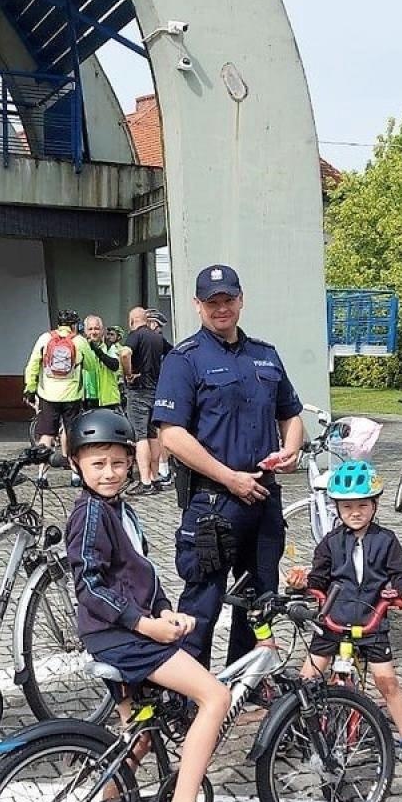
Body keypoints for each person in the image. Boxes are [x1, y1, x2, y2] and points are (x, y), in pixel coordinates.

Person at [66, 408, 233, 802]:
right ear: (76, 463)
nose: (109, 472)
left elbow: (140, 573)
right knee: (215, 697)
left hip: (125, 631)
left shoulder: (120, 509)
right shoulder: (90, 514)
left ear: (132, 462)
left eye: (118, 463)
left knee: (137, 738)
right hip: (121, 637)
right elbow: (89, 585)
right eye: (97, 464)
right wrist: (145, 625)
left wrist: (164, 611)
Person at [154, 264, 304, 666]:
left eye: (228, 300)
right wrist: (229, 477)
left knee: (259, 602)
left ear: (241, 300)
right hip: (214, 503)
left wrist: (291, 449)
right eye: (212, 302)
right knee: (201, 605)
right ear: (197, 305)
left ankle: (243, 684)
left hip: (264, 499)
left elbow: (291, 414)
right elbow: (171, 435)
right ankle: (190, 692)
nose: (221, 308)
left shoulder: (265, 355)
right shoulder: (184, 359)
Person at [284, 460, 402, 768]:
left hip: (371, 623)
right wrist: (301, 583)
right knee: (307, 678)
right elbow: (318, 579)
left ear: (375, 505)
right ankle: (297, 729)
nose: (355, 512)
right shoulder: (330, 543)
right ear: (337, 508)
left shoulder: (386, 540)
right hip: (333, 621)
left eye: (362, 505)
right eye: (347, 507)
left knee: (386, 681)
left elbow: (400, 574)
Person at [24, 309, 88, 451]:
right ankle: (71, 463)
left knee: (46, 434)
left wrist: (30, 389)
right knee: (70, 432)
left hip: (48, 395)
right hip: (72, 395)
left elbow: (32, 365)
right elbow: (91, 367)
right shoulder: (79, 341)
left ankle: (42, 465)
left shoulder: (45, 338)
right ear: (74, 325)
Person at [123, 307, 170, 492]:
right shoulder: (157, 337)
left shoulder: (135, 335)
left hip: (138, 390)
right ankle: (155, 477)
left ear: (131, 321)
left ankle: (145, 481)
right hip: (155, 390)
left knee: (140, 435)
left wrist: (128, 374)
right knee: (152, 435)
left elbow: (125, 353)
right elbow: (173, 353)